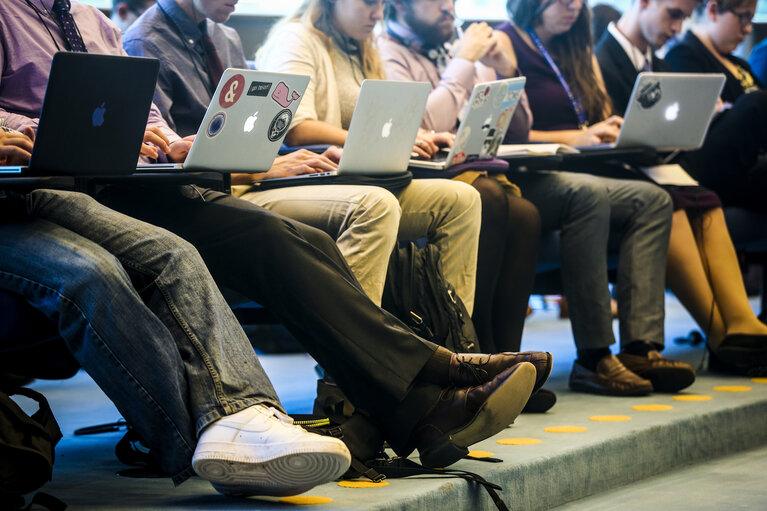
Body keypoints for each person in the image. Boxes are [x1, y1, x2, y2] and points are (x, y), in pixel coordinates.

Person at [0, 0, 544, 472]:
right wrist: (29, 129)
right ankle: (432, 384)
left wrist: (171, 140)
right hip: (51, 190)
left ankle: (422, 399)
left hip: (141, 182)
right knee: (203, 247)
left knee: (289, 238)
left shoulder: (92, 20)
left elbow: (145, 114)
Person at [0, 129, 352, 496]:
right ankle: (205, 446)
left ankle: (245, 413)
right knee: (92, 273)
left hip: (31, 190)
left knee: (175, 254)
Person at [123, 0, 483, 308]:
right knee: (374, 205)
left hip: (255, 175)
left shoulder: (224, 35)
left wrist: (289, 155)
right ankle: (346, 379)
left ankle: (457, 349)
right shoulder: (145, 40)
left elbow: (260, 129)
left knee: (463, 199)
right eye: (368, 2)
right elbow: (165, 163)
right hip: (216, 193)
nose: (377, 13)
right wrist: (264, 167)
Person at [491, 0, 699, 396]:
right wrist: (573, 138)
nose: (573, 7)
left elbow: (596, 114)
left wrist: (610, 131)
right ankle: (594, 357)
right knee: (587, 196)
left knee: (653, 199)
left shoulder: (577, 45)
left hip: (584, 166)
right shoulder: (505, 41)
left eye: (578, 0)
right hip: (531, 174)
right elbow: (501, 132)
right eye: (563, 0)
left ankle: (640, 348)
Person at [378, 0, 552, 412]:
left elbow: (518, 128)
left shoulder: (455, 48)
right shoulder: (386, 50)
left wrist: (506, 70)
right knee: (488, 197)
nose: (448, 8)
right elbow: (424, 125)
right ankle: (478, 359)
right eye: (437, 0)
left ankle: (509, 360)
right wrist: (462, 63)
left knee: (525, 214)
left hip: (466, 170)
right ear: (399, 6)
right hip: (414, 174)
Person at [595, 0, 767, 373]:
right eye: (674, 14)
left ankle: (738, 324)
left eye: (685, 18)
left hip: (657, 167)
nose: (678, 27)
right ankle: (723, 335)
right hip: (619, 172)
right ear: (643, 3)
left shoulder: (659, 63)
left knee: (703, 198)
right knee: (671, 199)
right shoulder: (602, 58)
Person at [662, 0, 767, 214]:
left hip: (752, 161)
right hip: (715, 168)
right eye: (743, 17)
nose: (747, 29)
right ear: (713, 10)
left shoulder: (740, 64)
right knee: (756, 103)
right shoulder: (684, 55)